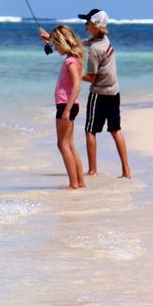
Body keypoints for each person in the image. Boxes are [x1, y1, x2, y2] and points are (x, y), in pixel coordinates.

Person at [78, 8, 131, 179]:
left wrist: (75, 76)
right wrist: (52, 40)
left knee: (90, 131)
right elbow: (81, 43)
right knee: (115, 130)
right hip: (114, 92)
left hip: (99, 94)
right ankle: (126, 171)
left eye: (87, 22)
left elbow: (92, 77)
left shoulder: (95, 50)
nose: (85, 25)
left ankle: (92, 171)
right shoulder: (103, 40)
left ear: (95, 25)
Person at [38, 24, 86, 190]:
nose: (55, 48)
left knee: (63, 145)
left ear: (63, 43)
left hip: (66, 105)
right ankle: (80, 182)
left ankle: (73, 184)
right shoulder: (75, 57)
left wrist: (66, 110)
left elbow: (77, 85)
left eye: (56, 44)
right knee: (70, 145)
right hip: (70, 105)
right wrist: (48, 38)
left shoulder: (70, 61)